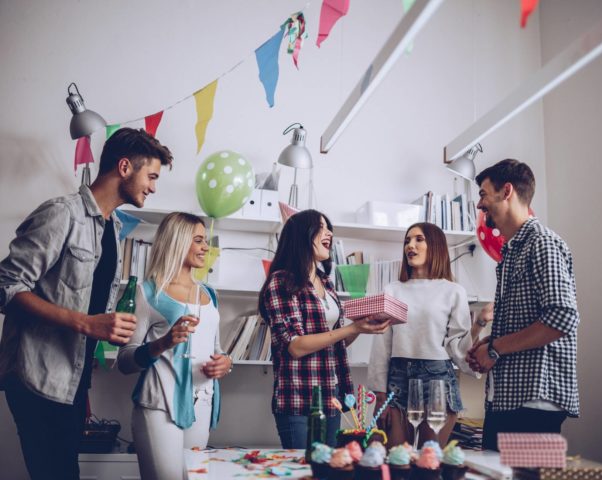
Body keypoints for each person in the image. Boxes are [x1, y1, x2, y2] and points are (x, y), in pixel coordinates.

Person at [0, 127, 173, 480]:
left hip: (73, 379)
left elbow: (89, 303)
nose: (153, 187)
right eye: (151, 176)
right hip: (37, 377)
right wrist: (86, 323)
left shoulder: (110, 229)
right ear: (124, 166)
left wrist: (108, 329)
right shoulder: (62, 214)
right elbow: (7, 285)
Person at [466, 159, 580, 451]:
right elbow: (531, 322)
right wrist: (491, 343)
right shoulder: (512, 250)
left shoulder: (541, 243)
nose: (480, 205)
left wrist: (494, 348)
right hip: (507, 398)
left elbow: (562, 317)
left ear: (506, 191)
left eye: (483, 194)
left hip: (533, 402)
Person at [258, 209, 390, 448]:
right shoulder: (281, 281)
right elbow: (296, 346)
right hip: (298, 398)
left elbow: (335, 341)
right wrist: (351, 329)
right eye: (321, 227)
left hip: (332, 396)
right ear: (302, 235)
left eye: (329, 227)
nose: (329, 232)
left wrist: (360, 327)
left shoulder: (326, 282)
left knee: (327, 470)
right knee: (303, 472)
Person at [117, 212, 232, 480]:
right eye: (199, 240)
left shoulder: (209, 293)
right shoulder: (148, 292)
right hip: (159, 404)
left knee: (193, 477)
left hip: (202, 404)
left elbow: (218, 348)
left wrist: (226, 362)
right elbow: (124, 361)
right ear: (178, 242)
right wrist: (164, 342)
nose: (206, 247)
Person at [367, 222, 483, 448]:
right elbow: (382, 345)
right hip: (397, 381)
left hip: (438, 380)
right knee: (396, 461)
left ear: (436, 246)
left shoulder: (453, 291)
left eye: (419, 239)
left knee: (429, 463)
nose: (410, 245)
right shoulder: (392, 290)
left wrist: (480, 325)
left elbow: (458, 346)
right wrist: (380, 392)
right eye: (407, 241)